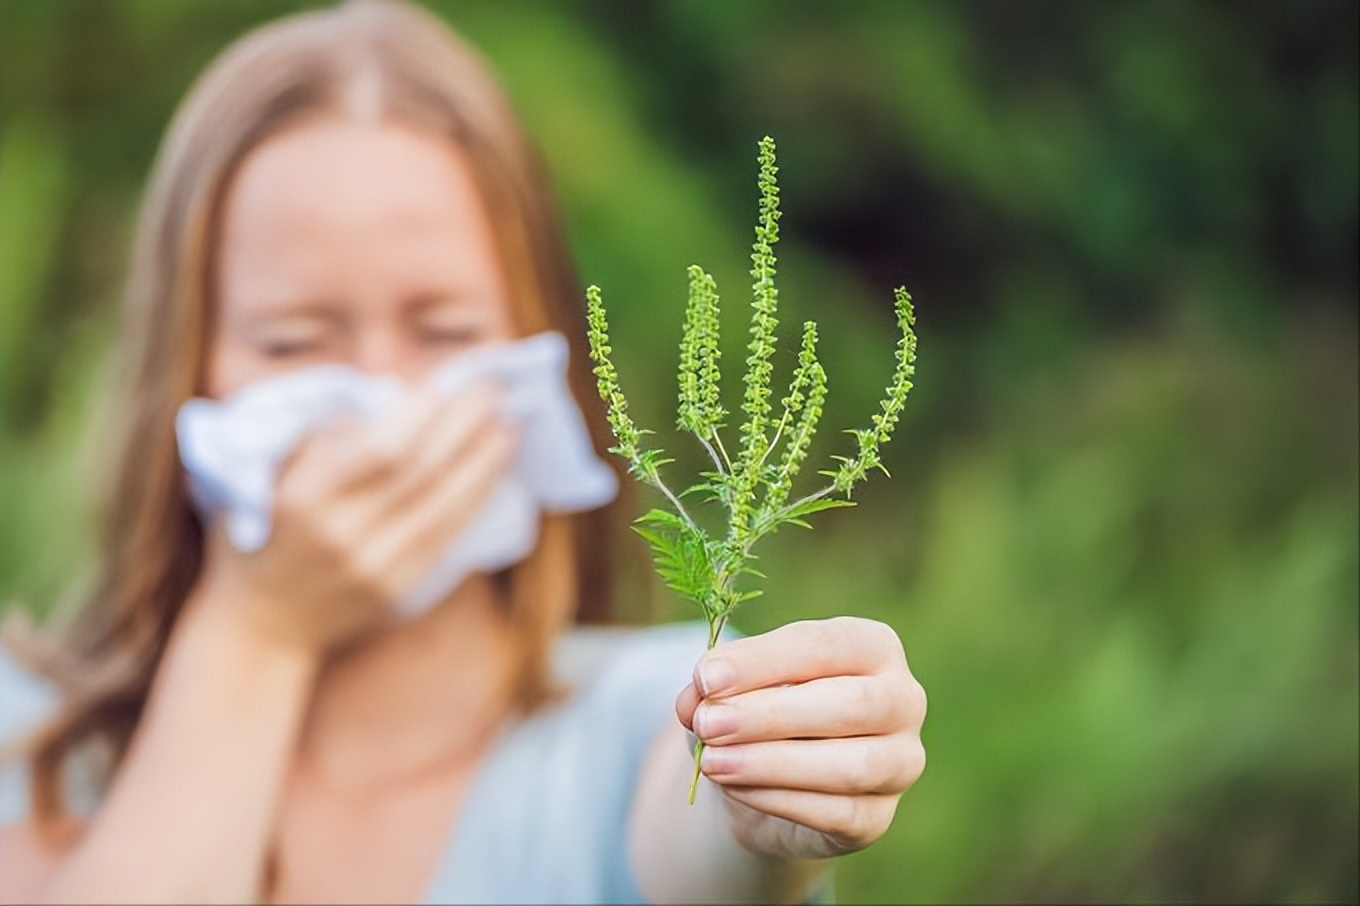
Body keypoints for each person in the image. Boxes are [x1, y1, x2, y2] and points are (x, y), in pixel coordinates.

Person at [0, 3, 927, 903]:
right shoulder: (28, 744)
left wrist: (766, 801)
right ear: (183, 365)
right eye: (292, 342)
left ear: (540, 342)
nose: (385, 402)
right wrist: (258, 628)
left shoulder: (654, 715)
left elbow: (714, 842)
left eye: (443, 330)